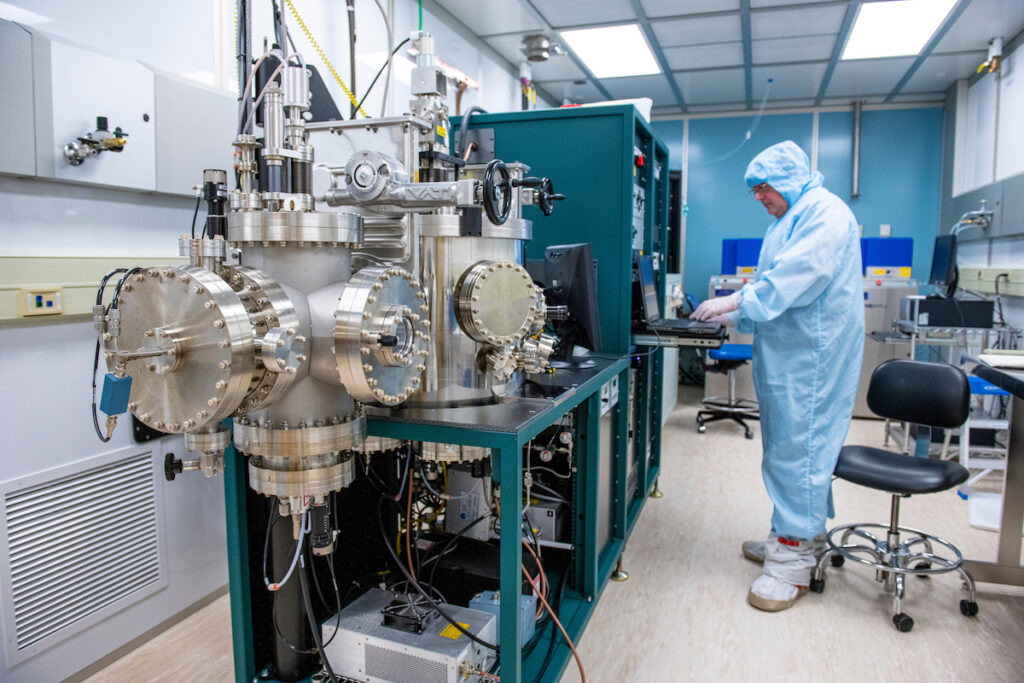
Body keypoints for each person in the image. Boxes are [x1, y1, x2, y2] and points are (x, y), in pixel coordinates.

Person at [693, 140, 864, 612]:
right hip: (790, 352)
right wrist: (735, 317)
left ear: (786, 181)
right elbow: (774, 289)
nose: (758, 198)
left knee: (800, 451)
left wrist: (734, 303)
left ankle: (793, 561)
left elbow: (794, 278)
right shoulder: (787, 220)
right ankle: (792, 535)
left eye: (763, 188)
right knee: (790, 449)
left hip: (812, 357)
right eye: (754, 191)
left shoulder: (824, 214)